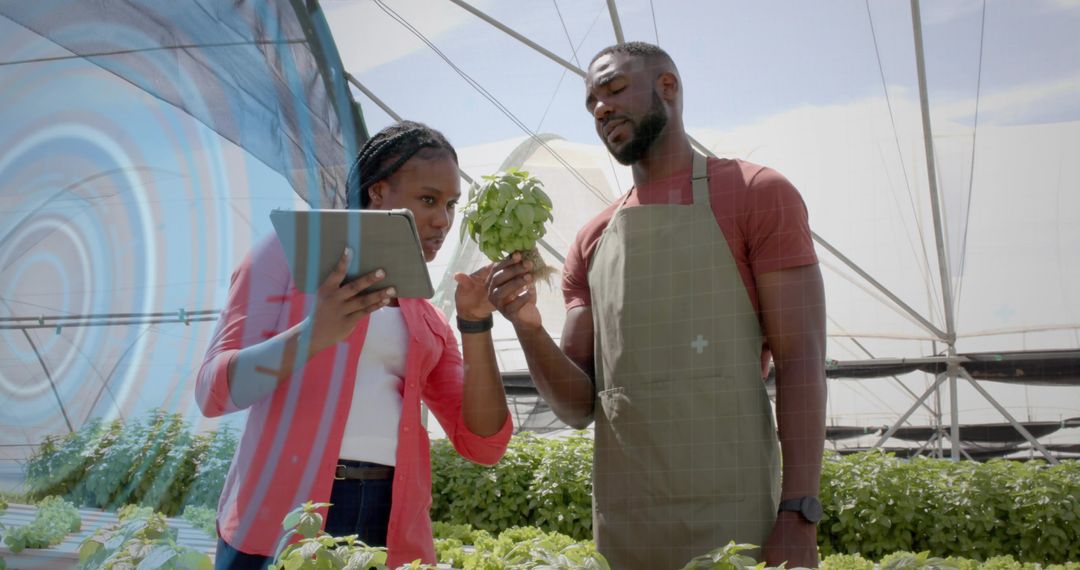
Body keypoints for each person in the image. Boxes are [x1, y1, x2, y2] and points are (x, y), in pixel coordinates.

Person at [488, 42, 827, 569]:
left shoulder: (757, 194)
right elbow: (578, 406)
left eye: (615, 89)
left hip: (737, 520)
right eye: (591, 102)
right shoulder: (592, 240)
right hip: (628, 526)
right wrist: (528, 327)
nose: (600, 108)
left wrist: (799, 513)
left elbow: (801, 358)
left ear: (667, 88)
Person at [196, 121, 512, 569]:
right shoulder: (285, 256)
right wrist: (313, 334)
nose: (442, 220)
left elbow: (482, 444)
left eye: (450, 205)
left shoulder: (424, 314)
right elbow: (213, 392)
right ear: (378, 192)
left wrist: (475, 324)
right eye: (428, 200)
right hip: (284, 518)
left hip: (388, 522)